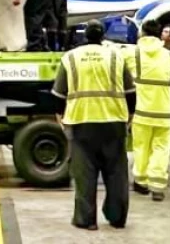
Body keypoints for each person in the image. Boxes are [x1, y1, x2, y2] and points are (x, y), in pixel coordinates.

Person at [52, 20, 133, 230]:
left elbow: (59, 93)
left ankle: (86, 219)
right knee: (116, 174)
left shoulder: (70, 58)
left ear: (84, 35)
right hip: (114, 121)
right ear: (103, 35)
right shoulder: (116, 56)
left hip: (81, 122)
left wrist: (60, 116)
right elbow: (131, 91)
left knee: (84, 174)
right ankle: (117, 218)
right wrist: (129, 116)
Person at [129, 20, 170, 201]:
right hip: (164, 111)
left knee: (141, 147)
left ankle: (141, 182)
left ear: (142, 33)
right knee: (161, 148)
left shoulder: (134, 54)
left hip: (142, 110)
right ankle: (157, 187)